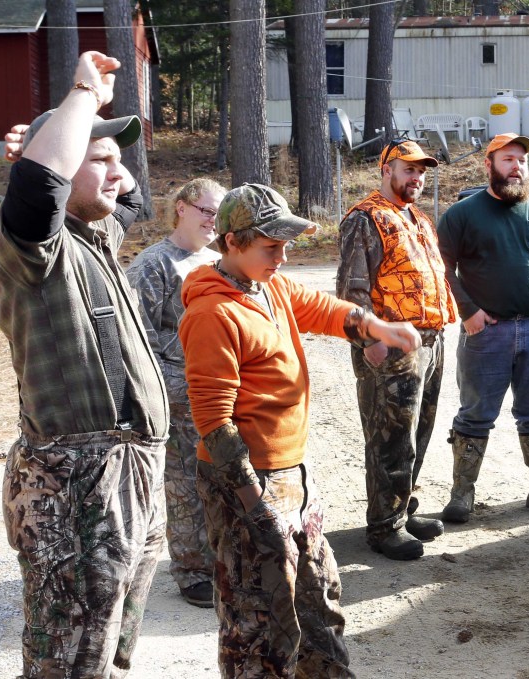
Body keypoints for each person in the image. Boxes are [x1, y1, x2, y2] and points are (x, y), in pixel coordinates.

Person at [179, 183, 421, 677]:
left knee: (318, 601)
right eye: (272, 247)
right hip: (245, 486)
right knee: (258, 624)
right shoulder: (212, 313)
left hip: (292, 478)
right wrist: (255, 509)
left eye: (286, 245)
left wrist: (378, 327)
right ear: (232, 243)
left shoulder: (270, 288)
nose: (283, 257)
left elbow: (322, 309)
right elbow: (214, 425)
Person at [0, 51, 169, 677]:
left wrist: (67, 144)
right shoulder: (32, 249)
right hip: (78, 481)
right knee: (68, 658)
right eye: (102, 159)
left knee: (110, 642)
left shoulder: (99, 235)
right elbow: (39, 191)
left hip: (134, 472)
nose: (120, 176)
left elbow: (129, 200)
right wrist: (82, 94)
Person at [436, 132, 529, 523]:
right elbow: (441, 267)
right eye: (507, 160)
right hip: (486, 334)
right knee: (475, 415)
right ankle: (462, 495)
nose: (516, 167)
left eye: (521, 160)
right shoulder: (463, 214)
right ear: (489, 165)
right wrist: (467, 311)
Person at [336, 140, 455, 560]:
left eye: (422, 171)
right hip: (390, 346)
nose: (417, 178)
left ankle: (401, 510)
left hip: (430, 339)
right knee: (390, 438)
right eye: (409, 169)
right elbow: (352, 288)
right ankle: (384, 527)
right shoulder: (365, 219)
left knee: (418, 432)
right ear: (386, 170)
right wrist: (369, 342)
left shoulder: (418, 218)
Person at [126, 178, 225, 606]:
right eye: (206, 210)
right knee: (185, 484)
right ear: (182, 207)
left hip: (220, 392)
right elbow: (133, 337)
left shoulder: (219, 262)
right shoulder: (154, 265)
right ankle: (192, 571)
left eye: (218, 214)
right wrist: (179, 371)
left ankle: (219, 561)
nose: (212, 220)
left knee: (220, 479)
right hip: (178, 394)